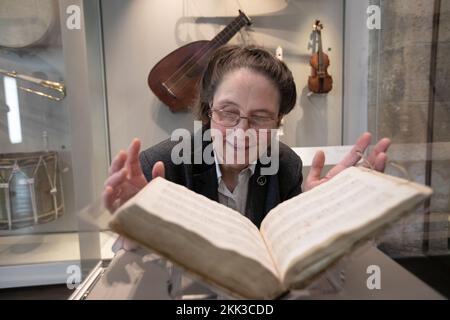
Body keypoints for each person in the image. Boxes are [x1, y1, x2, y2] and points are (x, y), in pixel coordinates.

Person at [103, 45, 391, 249]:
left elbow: (289, 255)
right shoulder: (160, 166)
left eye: (261, 117)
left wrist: (314, 215)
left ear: (279, 120)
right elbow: (133, 260)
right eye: (228, 112)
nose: (242, 133)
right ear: (208, 109)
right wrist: (132, 231)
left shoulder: (286, 166)